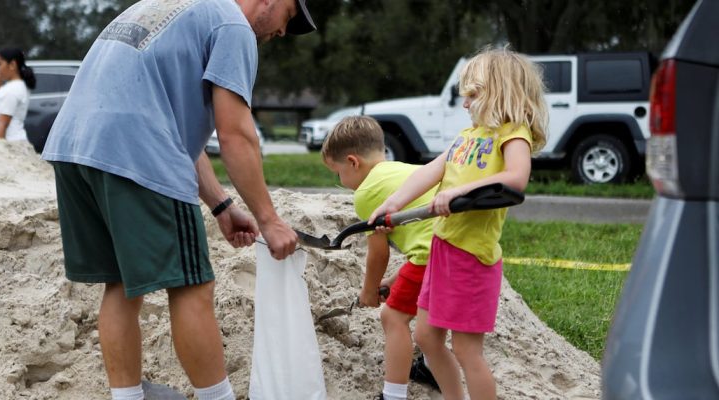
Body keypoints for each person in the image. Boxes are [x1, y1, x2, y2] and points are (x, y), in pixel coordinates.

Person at [40, 1, 315, 399]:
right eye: (288, 17)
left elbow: (171, 123)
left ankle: (128, 397)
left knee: (119, 285)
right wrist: (269, 219)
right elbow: (235, 133)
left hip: (75, 149)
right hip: (137, 152)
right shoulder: (232, 25)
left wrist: (221, 205)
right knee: (191, 286)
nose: (283, 32)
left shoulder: (168, 6)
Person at [369, 47, 548, 400]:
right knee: (426, 337)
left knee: (467, 350)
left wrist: (459, 192)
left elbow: (516, 178)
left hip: (471, 258)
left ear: (500, 90)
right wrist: (391, 203)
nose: (465, 104)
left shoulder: (512, 134)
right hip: (443, 250)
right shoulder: (467, 138)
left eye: (473, 94)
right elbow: (430, 172)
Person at [321, 115, 442, 400]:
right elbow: (427, 240)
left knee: (393, 318)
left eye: (337, 173)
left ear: (353, 162)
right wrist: (391, 281)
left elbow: (379, 252)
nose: (340, 181)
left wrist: (368, 291)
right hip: (450, 251)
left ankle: (393, 395)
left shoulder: (367, 193)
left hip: (431, 257)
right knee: (430, 316)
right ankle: (429, 367)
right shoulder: (405, 171)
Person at [0, 47, 35, 141]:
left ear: (12, 64)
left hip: (10, 143)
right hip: (13, 141)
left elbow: (3, 124)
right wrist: (0, 71)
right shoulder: (15, 86)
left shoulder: (12, 90)